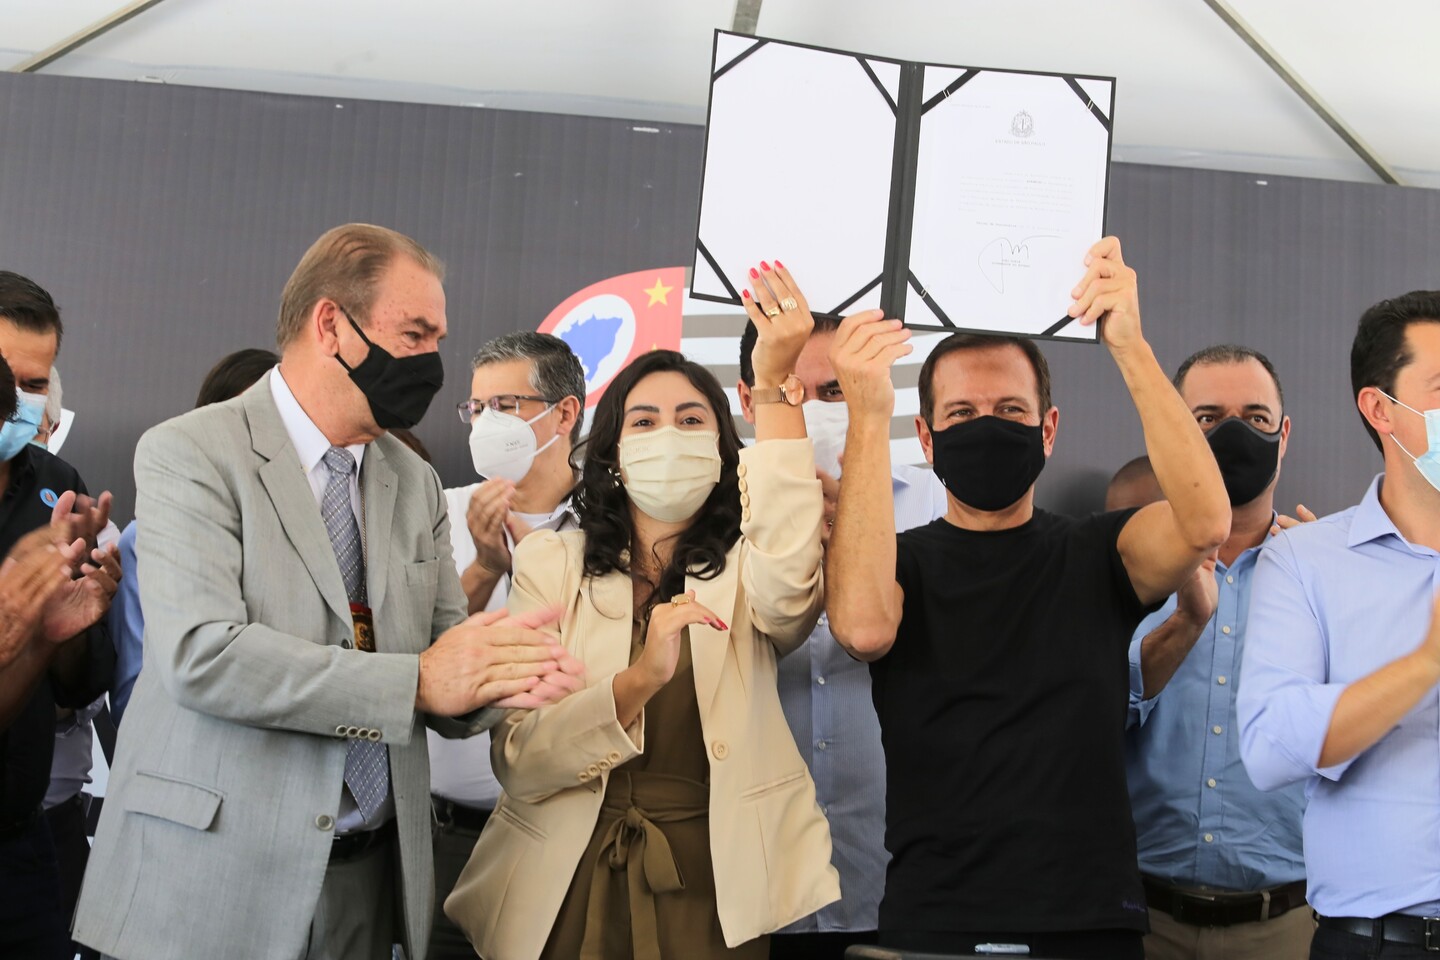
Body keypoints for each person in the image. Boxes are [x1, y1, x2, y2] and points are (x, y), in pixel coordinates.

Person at [74, 224, 582, 960]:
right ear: (331, 326)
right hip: (208, 883)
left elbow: (444, 654)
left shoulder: (412, 482)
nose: (432, 363)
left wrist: (502, 674)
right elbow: (201, 656)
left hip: (369, 886)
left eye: (437, 339)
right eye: (414, 334)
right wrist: (418, 681)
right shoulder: (191, 451)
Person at [826, 237, 1232, 960]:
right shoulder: (898, 567)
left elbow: (1204, 523)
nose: (986, 425)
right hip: (937, 918)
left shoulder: (1102, 552)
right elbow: (861, 628)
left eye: (1010, 409)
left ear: (1048, 430)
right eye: (961, 413)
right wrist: (866, 413)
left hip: (1088, 922)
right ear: (925, 438)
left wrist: (1130, 347)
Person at [446, 262, 842, 960]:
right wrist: (636, 683)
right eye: (644, 421)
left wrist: (774, 382)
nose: (668, 435)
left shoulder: (751, 568)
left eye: (691, 420)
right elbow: (521, 760)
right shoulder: (550, 562)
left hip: (714, 888)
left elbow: (789, 589)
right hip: (560, 884)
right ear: (615, 451)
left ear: (721, 450)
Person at [736, 312, 946, 960]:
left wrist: (857, 548)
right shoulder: (708, 519)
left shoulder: (937, 505)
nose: (813, 409)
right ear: (749, 398)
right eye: (790, 391)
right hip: (754, 891)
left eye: (834, 391)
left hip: (904, 883)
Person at [1239, 290, 1440, 960]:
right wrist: (1423, 664)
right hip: (1379, 942)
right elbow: (1270, 748)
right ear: (1381, 409)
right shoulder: (1305, 561)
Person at [1124, 345, 1310, 960]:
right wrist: (1180, 626)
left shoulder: (1325, 576)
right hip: (1138, 918)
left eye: (1256, 418)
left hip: (1284, 925)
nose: (1234, 434)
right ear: (1172, 430)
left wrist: (1339, 605)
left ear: (1283, 436)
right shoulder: (1120, 565)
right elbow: (1083, 727)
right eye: (1206, 418)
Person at [428, 331, 584, 960]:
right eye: (477, 408)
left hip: (569, 832)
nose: (486, 423)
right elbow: (417, 661)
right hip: (448, 837)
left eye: (506, 406)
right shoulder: (436, 514)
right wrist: (486, 567)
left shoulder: (614, 522)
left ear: (564, 414)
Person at [0, 272, 122, 960]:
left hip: (23, 841)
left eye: (36, 384)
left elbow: (80, 683)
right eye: (6, 377)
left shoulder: (60, 487)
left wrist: (64, 632)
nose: (19, 400)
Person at [107, 347, 279, 726]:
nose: (257, 443)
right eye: (240, 421)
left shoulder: (326, 527)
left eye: (272, 425)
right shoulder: (145, 537)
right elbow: (134, 692)